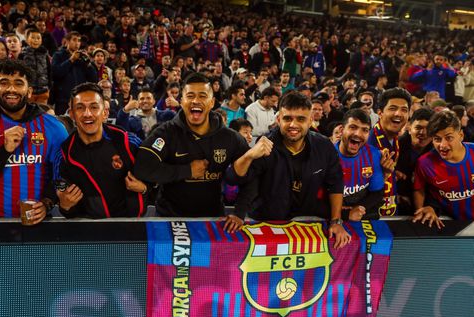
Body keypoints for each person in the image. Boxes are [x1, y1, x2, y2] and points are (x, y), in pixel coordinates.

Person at [228, 90, 351, 249]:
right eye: (287, 118)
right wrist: (249, 155)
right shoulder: (264, 145)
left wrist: (336, 221)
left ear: (310, 120)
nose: (293, 125)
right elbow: (236, 179)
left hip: (306, 225)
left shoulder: (324, 146)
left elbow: (335, 183)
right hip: (266, 225)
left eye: (301, 119)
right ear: (278, 119)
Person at [134, 73, 249, 232]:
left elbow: (253, 174)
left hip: (213, 221)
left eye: (202, 96)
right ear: (181, 102)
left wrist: (240, 212)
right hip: (169, 220)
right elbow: (143, 167)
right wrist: (186, 170)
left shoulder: (230, 138)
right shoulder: (166, 133)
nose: (196, 100)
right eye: (190, 96)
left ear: (212, 102)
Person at [0, 60, 68, 223]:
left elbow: (62, 175)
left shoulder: (54, 127)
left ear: (29, 91)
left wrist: (47, 202)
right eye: (4, 83)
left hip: (39, 223)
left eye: (19, 83)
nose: (11, 89)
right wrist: (4, 149)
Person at [55, 83, 146, 218]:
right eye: (80, 108)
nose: (87, 114)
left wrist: (145, 188)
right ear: (72, 114)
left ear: (105, 113)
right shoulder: (64, 155)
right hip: (91, 232)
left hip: (134, 227)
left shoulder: (128, 142)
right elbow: (66, 204)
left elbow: (154, 178)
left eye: (94, 107)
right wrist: (65, 206)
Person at [413, 110, 474, 227]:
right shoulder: (425, 163)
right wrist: (422, 210)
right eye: (437, 139)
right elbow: (419, 189)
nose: (443, 145)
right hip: (449, 227)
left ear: (461, 135)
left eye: (449, 138)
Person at [367, 87, 412, 217]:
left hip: (389, 209)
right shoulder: (370, 143)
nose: (398, 113)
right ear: (380, 113)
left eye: (404, 110)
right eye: (393, 108)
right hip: (371, 218)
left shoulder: (394, 138)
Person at [335, 109, 384, 221]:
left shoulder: (373, 154)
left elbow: (377, 192)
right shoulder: (327, 155)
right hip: (331, 218)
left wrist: (359, 209)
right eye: (353, 127)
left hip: (361, 214)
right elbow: (314, 201)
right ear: (342, 130)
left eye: (365, 130)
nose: (358, 134)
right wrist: (346, 214)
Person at [396, 108, 433, 214]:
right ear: (409, 127)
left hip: (428, 208)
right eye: (418, 127)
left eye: (428, 128)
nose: (423, 133)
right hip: (397, 206)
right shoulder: (395, 147)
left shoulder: (439, 152)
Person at [51, 31, 98, 115]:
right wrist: (70, 60)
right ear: (67, 41)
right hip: (63, 99)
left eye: (79, 41)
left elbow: (94, 79)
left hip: (80, 99)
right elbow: (56, 73)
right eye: (74, 40)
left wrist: (89, 64)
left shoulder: (82, 58)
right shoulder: (58, 55)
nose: (77, 43)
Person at [19, 28, 51, 105]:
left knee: (42, 114)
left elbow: (49, 71)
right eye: (33, 38)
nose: (36, 40)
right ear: (27, 39)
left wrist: (49, 86)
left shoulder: (44, 54)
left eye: (38, 38)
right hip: (28, 91)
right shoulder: (22, 54)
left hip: (43, 90)